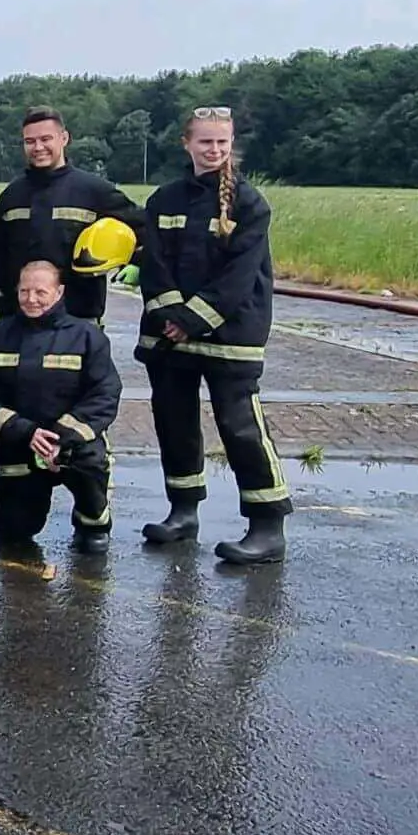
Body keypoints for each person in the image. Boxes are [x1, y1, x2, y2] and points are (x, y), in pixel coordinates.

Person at [136, 107, 292, 565]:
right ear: (187, 143)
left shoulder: (249, 204)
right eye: (205, 142)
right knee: (175, 423)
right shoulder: (164, 200)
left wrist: (190, 318)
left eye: (222, 142)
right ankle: (183, 512)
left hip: (229, 335)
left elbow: (239, 277)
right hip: (171, 337)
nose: (214, 150)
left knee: (241, 427)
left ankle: (267, 525)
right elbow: (154, 265)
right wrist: (169, 314)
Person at [0, 260, 121, 553]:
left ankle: (92, 521)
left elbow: (105, 394)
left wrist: (61, 438)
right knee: (14, 533)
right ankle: (2, 491)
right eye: (24, 291)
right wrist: (26, 433)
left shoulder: (88, 337)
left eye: (41, 291)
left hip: (72, 444)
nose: (31, 299)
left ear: (59, 291)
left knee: (90, 474)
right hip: (21, 441)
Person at [0, 108, 146, 326]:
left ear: (64, 138)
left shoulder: (94, 191)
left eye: (45, 139)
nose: (38, 147)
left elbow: (146, 228)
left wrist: (136, 262)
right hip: (19, 318)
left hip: (79, 318)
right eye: (30, 141)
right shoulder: (11, 196)